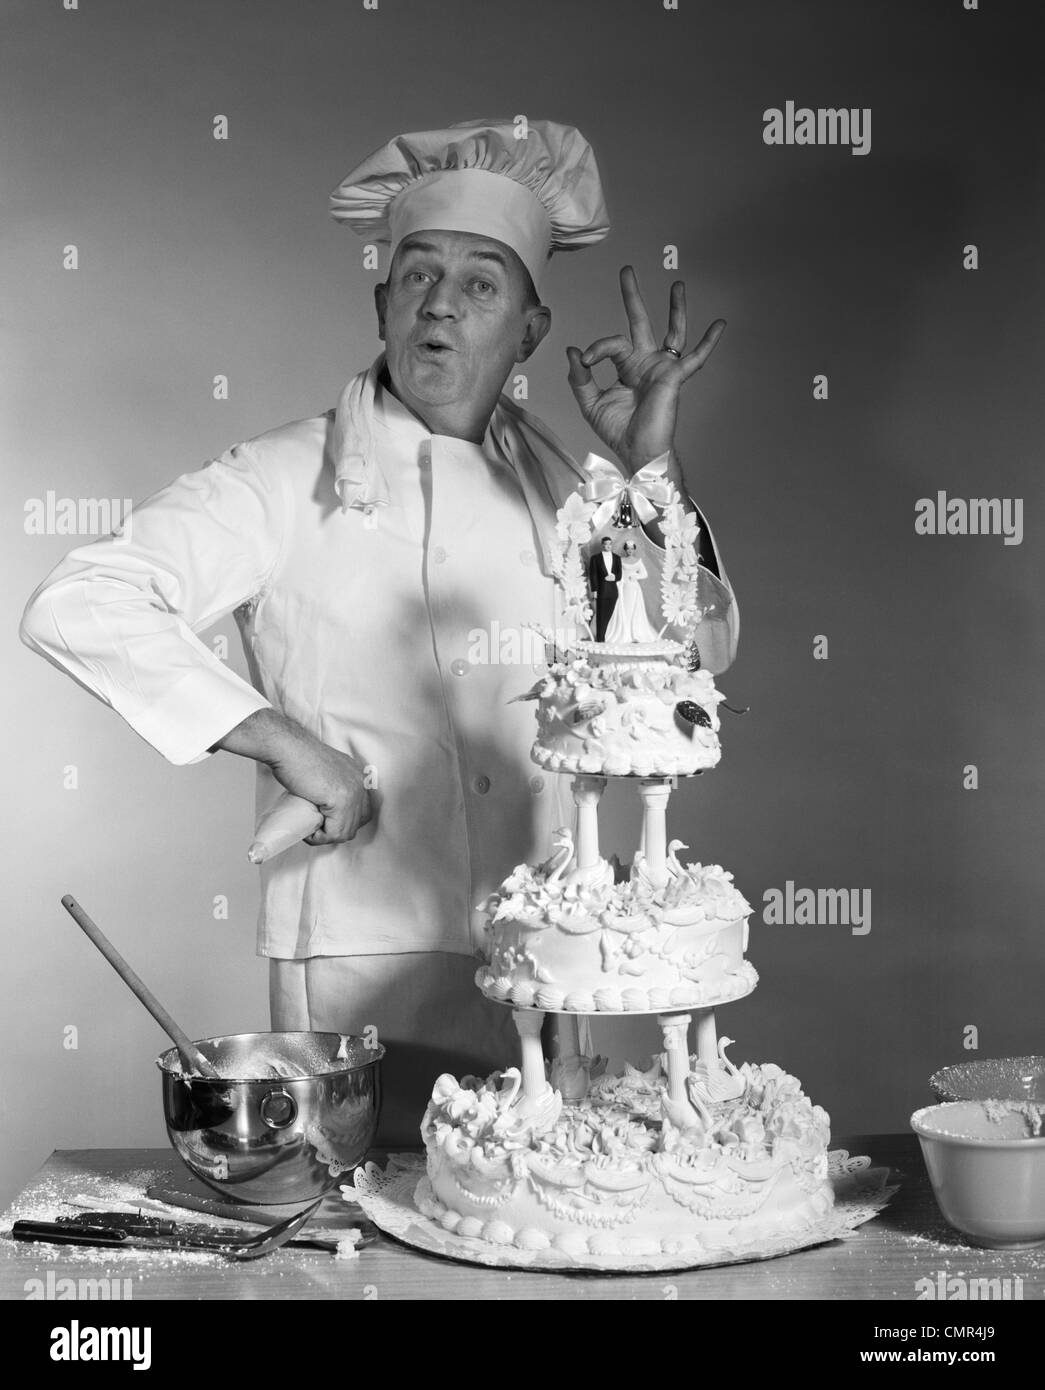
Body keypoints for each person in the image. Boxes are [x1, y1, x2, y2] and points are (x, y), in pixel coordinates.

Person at [19, 119, 738, 1142]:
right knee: (373, 1255)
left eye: (481, 283)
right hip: (354, 965)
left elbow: (692, 659)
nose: (440, 303)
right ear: (381, 304)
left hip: (541, 954)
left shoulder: (573, 496)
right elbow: (81, 599)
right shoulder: (279, 478)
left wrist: (648, 477)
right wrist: (279, 740)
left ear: (530, 331)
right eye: (416, 277)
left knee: (524, 1227)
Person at [604, 539, 660, 645]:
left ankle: (633, 632)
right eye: (628, 548)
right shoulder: (620, 560)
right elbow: (617, 572)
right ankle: (624, 633)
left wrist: (636, 576)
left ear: (634, 550)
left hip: (633, 588)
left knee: (632, 609)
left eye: (632, 549)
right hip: (623, 587)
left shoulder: (638, 561)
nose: (630, 550)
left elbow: (644, 574)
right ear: (625, 549)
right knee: (623, 608)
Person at [588, 536, 622, 641]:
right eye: (606, 544)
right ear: (602, 545)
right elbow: (593, 575)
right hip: (601, 590)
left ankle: (602, 636)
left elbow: (619, 574)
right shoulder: (595, 558)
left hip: (613, 591)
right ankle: (600, 638)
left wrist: (614, 577)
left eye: (609, 544)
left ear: (612, 545)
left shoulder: (617, 558)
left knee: (608, 614)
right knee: (600, 615)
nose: (608, 546)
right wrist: (594, 590)